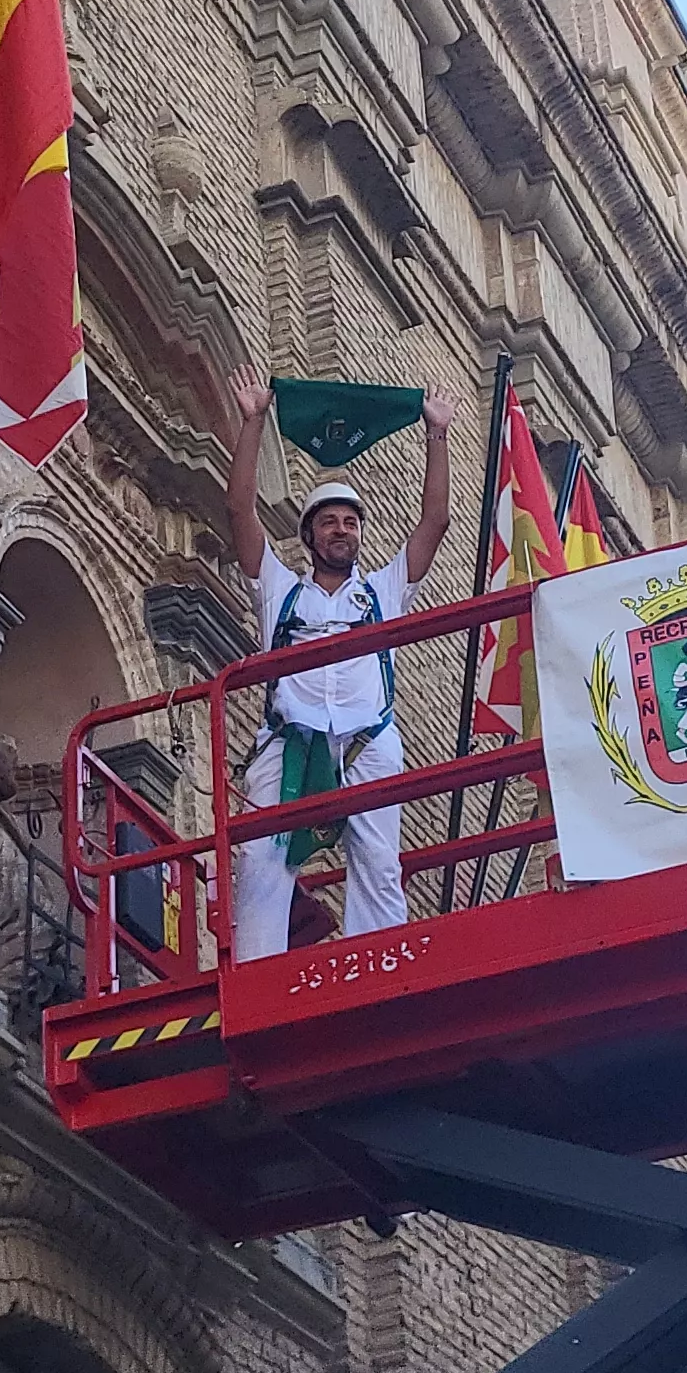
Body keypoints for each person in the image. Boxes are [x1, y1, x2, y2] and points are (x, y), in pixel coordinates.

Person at [216, 376, 453, 958]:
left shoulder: (382, 591)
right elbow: (238, 509)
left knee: (376, 861)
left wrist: (437, 434)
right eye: (328, 522)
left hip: (367, 739)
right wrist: (252, 422)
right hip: (288, 738)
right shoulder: (278, 590)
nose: (340, 531)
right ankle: (258, 972)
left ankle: (381, 963)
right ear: (308, 536)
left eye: (349, 522)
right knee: (261, 856)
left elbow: (435, 524)